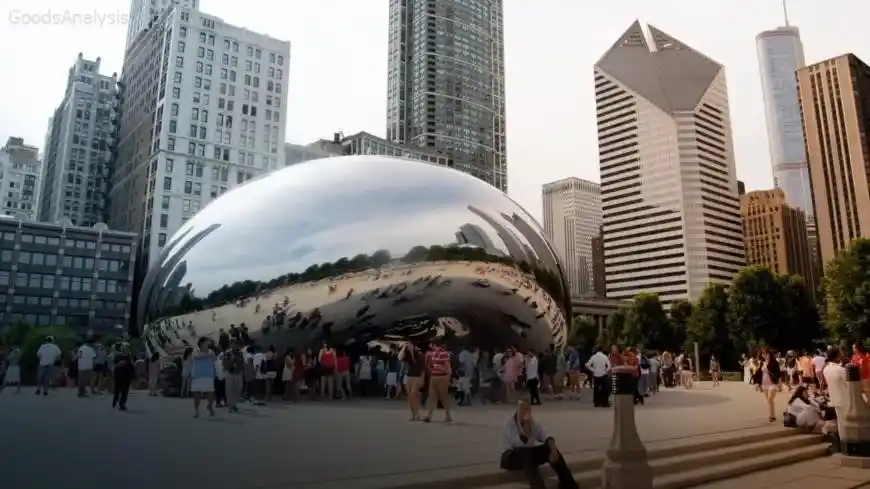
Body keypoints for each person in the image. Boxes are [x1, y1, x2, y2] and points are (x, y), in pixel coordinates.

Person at [500, 400, 579, 489]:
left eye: (528, 409)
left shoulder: (533, 423)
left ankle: (569, 484)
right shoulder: (510, 424)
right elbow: (521, 443)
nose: (526, 412)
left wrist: (553, 450)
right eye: (523, 409)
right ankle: (538, 486)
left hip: (528, 456)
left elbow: (546, 434)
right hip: (510, 457)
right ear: (518, 410)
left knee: (548, 449)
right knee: (524, 452)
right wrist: (526, 425)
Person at [423, 342, 452, 423]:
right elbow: (428, 364)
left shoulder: (444, 353)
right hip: (434, 376)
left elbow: (447, 365)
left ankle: (448, 416)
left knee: (443, 398)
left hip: (442, 377)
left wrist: (447, 375)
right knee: (432, 397)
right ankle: (429, 416)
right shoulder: (431, 354)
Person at [191, 337, 217, 418]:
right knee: (197, 395)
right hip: (198, 376)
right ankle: (196, 411)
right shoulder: (196, 351)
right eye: (206, 342)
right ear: (202, 343)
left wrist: (208, 355)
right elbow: (196, 357)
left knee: (211, 394)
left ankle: (210, 406)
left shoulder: (211, 351)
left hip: (209, 375)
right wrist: (207, 355)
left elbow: (214, 359)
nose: (208, 343)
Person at [399, 342, 425, 420]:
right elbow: (400, 358)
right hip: (408, 376)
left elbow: (423, 368)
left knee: (414, 395)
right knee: (410, 397)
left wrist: (422, 379)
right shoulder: (407, 355)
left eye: (410, 345)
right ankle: (413, 414)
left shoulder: (419, 354)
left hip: (417, 377)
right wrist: (403, 348)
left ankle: (417, 414)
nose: (409, 346)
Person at [757, 350, 781, 423]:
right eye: (763, 354)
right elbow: (758, 374)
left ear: (770, 354)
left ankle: (771, 417)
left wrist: (780, 383)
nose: (765, 355)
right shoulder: (761, 363)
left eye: (766, 354)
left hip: (773, 383)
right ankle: (773, 415)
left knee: (770, 399)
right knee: (770, 401)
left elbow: (779, 374)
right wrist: (758, 384)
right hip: (764, 384)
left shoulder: (774, 363)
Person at [222, 339, 245, 412]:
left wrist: (236, 359)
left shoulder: (240, 353)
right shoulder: (227, 353)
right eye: (232, 344)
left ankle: (234, 403)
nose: (234, 346)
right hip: (230, 373)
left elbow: (242, 362)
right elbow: (224, 362)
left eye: (235, 344)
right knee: (229, 390)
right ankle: (230, 405)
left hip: (238, 373)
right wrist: (230, 362)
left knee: (238, 389)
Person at [112, 343, 135, 410]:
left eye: (127, 348)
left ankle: (122, 404)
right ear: (122, 348)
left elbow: (133, 366)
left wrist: (131, 360)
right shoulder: (118, 356)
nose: (126, 349)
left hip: (127, 376)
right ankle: (115, 400)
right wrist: (119, 364)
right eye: (124, 348)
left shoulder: (130, 357)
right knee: (117, 390)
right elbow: (114, 365)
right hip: (118, 375)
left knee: (125, 391)